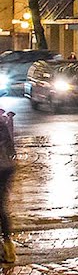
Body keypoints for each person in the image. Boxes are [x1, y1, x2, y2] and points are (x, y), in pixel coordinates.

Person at [0, 108, 16, 263]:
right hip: (6, 167)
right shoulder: (4, 118)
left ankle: (7, 247)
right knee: (1, 205)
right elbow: (11, 146)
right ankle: (7, 245)